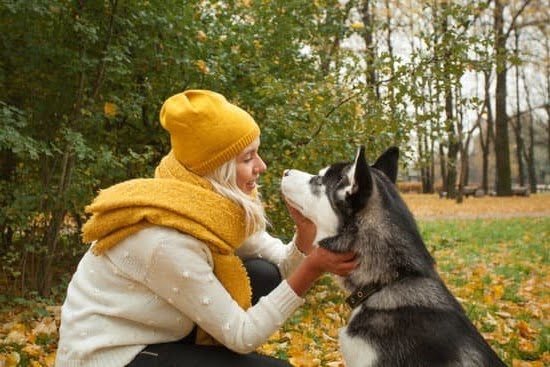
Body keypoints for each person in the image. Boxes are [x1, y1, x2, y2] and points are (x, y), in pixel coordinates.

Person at [55, 90, 357, 367]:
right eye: (248, 158)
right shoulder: (165, 237)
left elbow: (281, 264)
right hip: (109, 356)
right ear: (217, 169)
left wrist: (305, 234)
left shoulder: (211, 207)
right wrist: (313, 268)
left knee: (264, 275)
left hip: (157, 334)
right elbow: (242, 335)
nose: (261, 166)